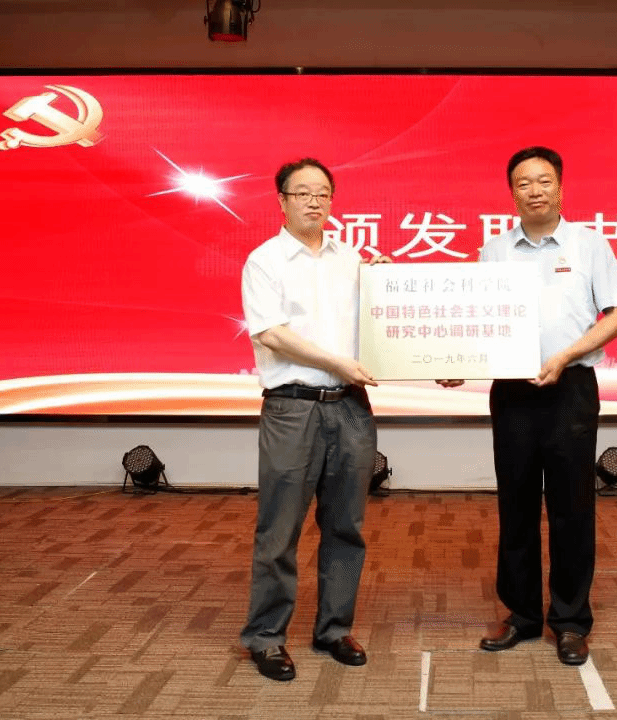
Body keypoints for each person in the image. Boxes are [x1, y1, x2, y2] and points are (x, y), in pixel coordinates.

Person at [441, 146, 617, 665]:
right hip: (513, 393)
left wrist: (566, 354)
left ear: (560, 187)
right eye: (523, 183)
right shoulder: (494, 251)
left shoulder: (590, 244)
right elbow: (479, 322)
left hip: (570, 389)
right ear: (512, 193)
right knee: (516, 505)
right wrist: (458, 361)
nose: (535, 190)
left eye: (544, 181)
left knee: (572, 507)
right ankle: (522, 615)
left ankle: (570, 622)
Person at [240, 158, 387, 681]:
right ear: (281, 201)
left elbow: (379, 322)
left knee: (346, 525)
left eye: (323, 192)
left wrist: (390, 287)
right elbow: (271, 333)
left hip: (350, 406)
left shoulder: (354, 260)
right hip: (292, 407)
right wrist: (336, 362)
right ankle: (265, 637)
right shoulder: (265, 261)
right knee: (279, 527)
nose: (314, 201)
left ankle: (333, 629)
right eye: (302, 192)